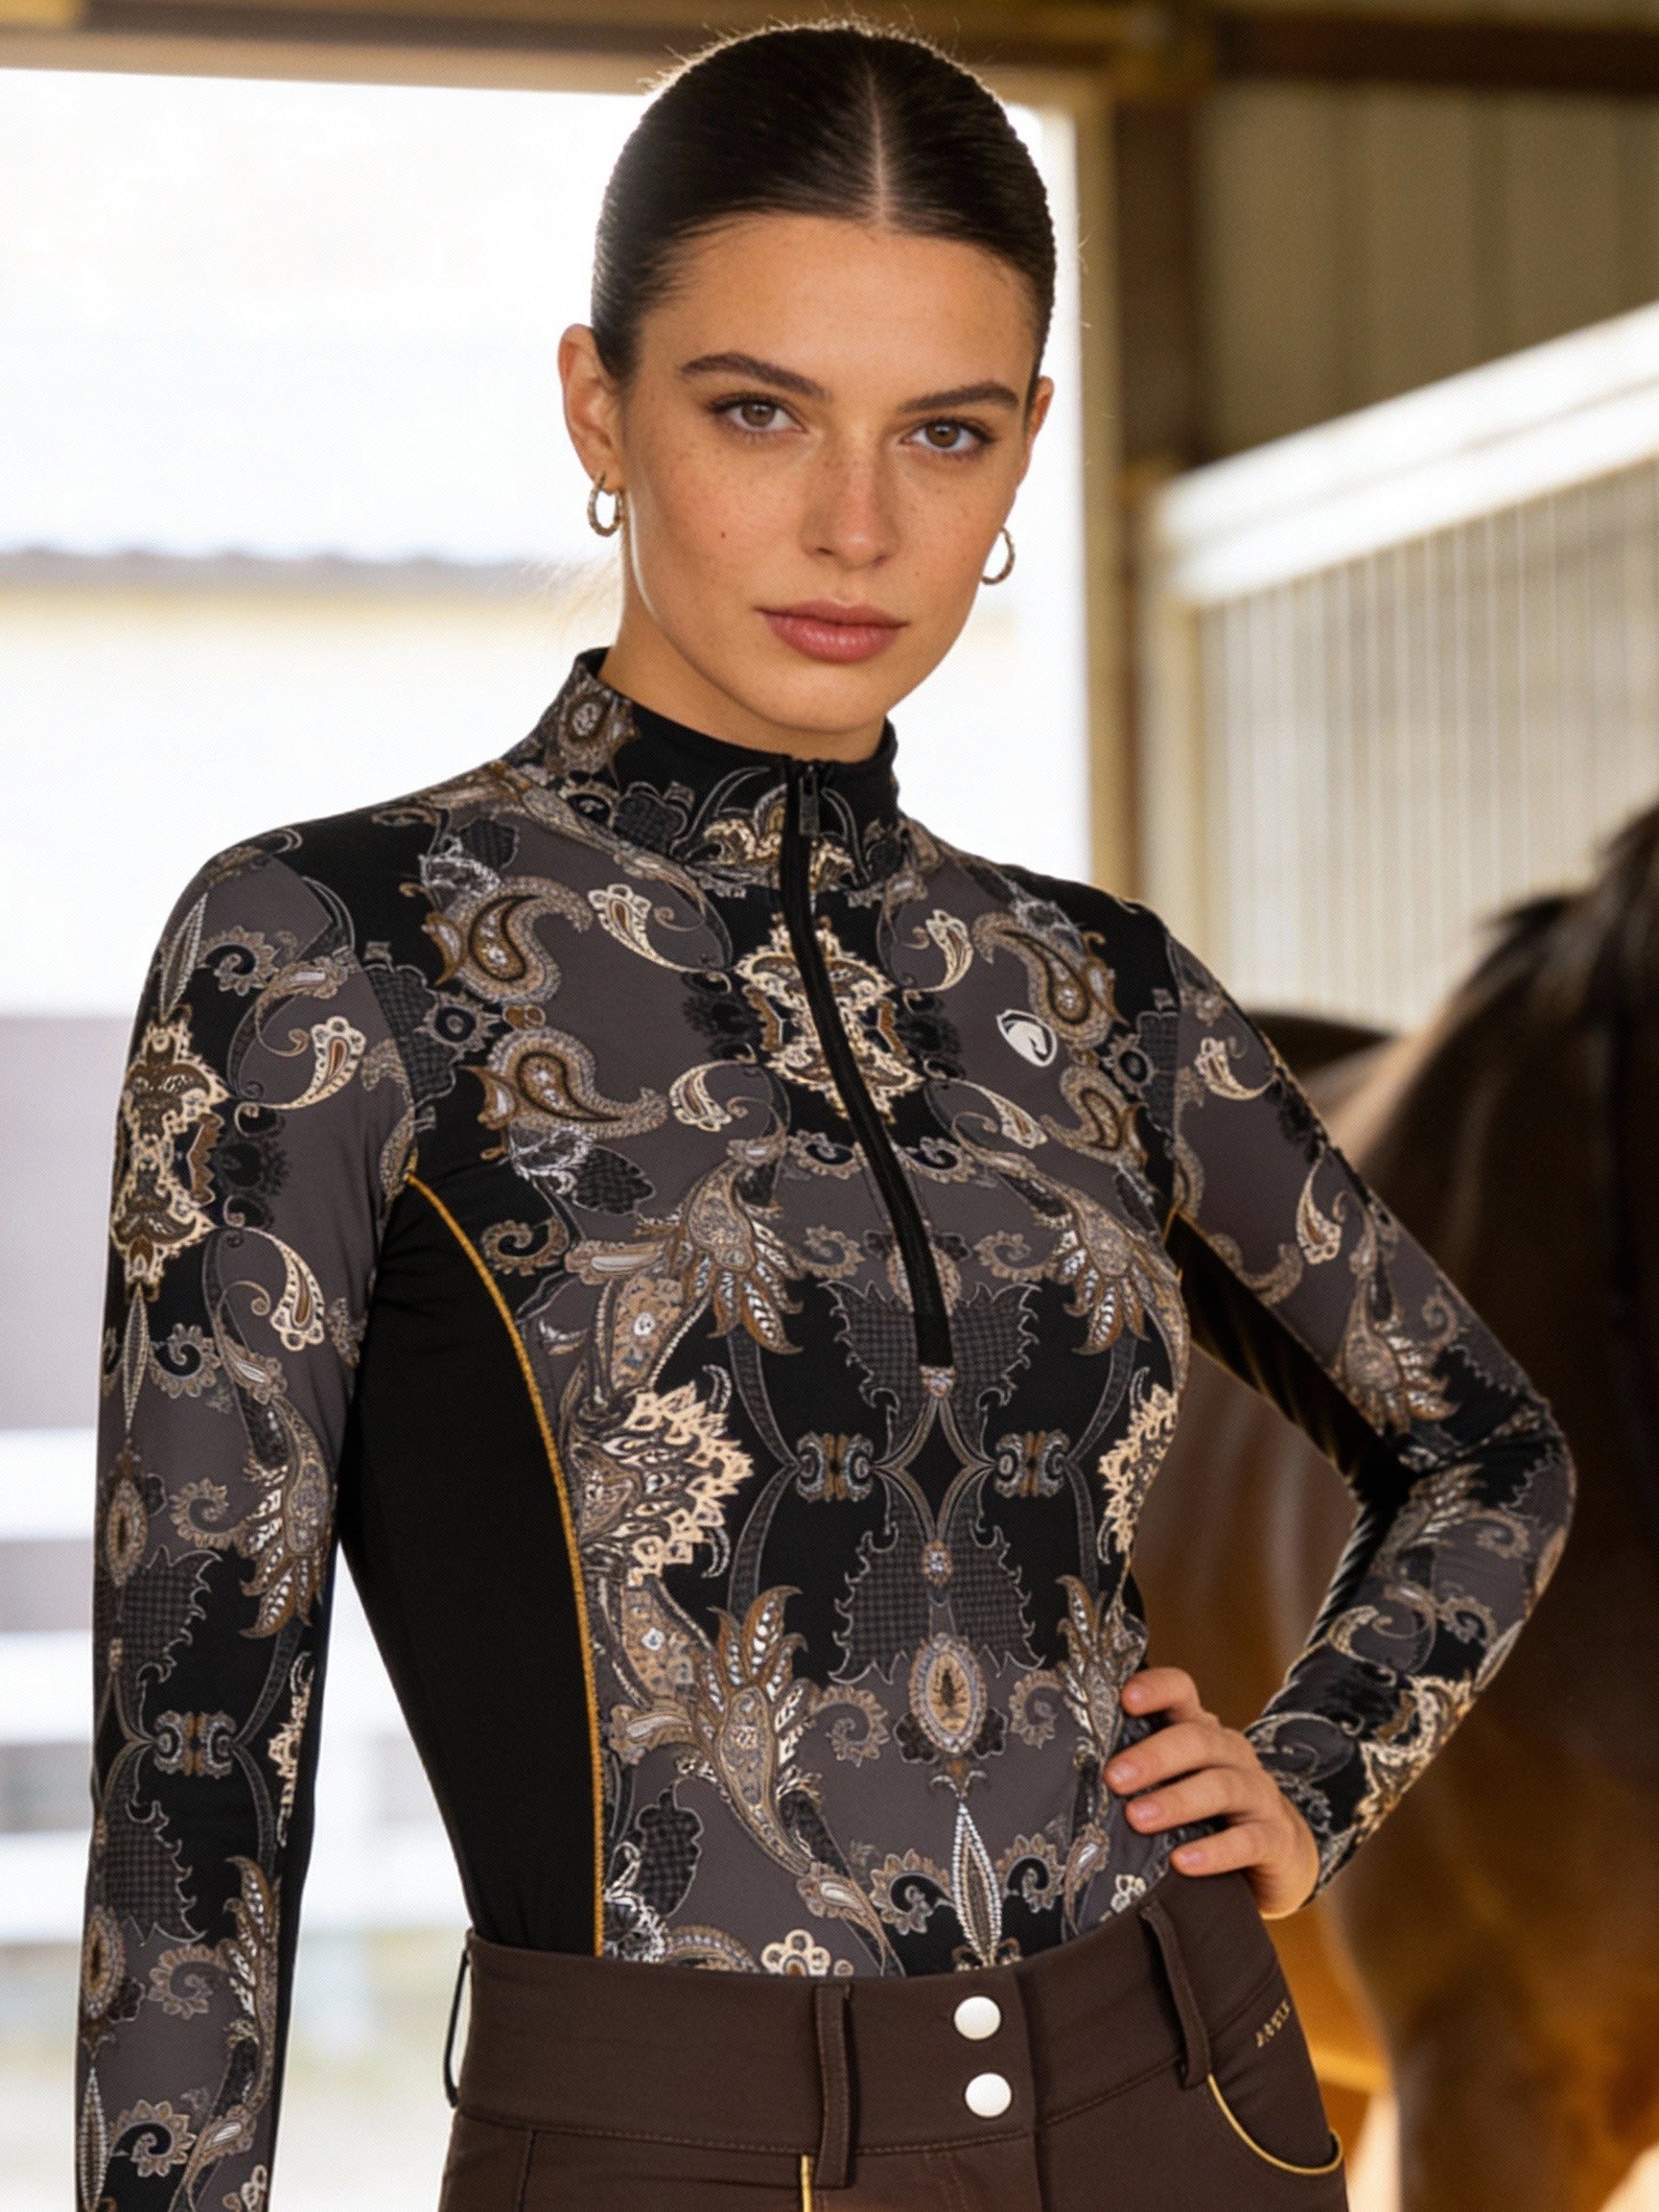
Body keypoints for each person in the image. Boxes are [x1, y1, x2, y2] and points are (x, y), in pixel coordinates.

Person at [77, 24, 1573, 2212]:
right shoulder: (326, 952)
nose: (857, 524)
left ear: (1024, 446)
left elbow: (1485, 1447)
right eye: (757, 408)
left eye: (945, 432)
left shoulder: (1097, 990)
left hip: (1188, 2107)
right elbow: (199, 1760)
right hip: (661, 2152)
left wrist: (1314, 1768)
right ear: (599, 402)